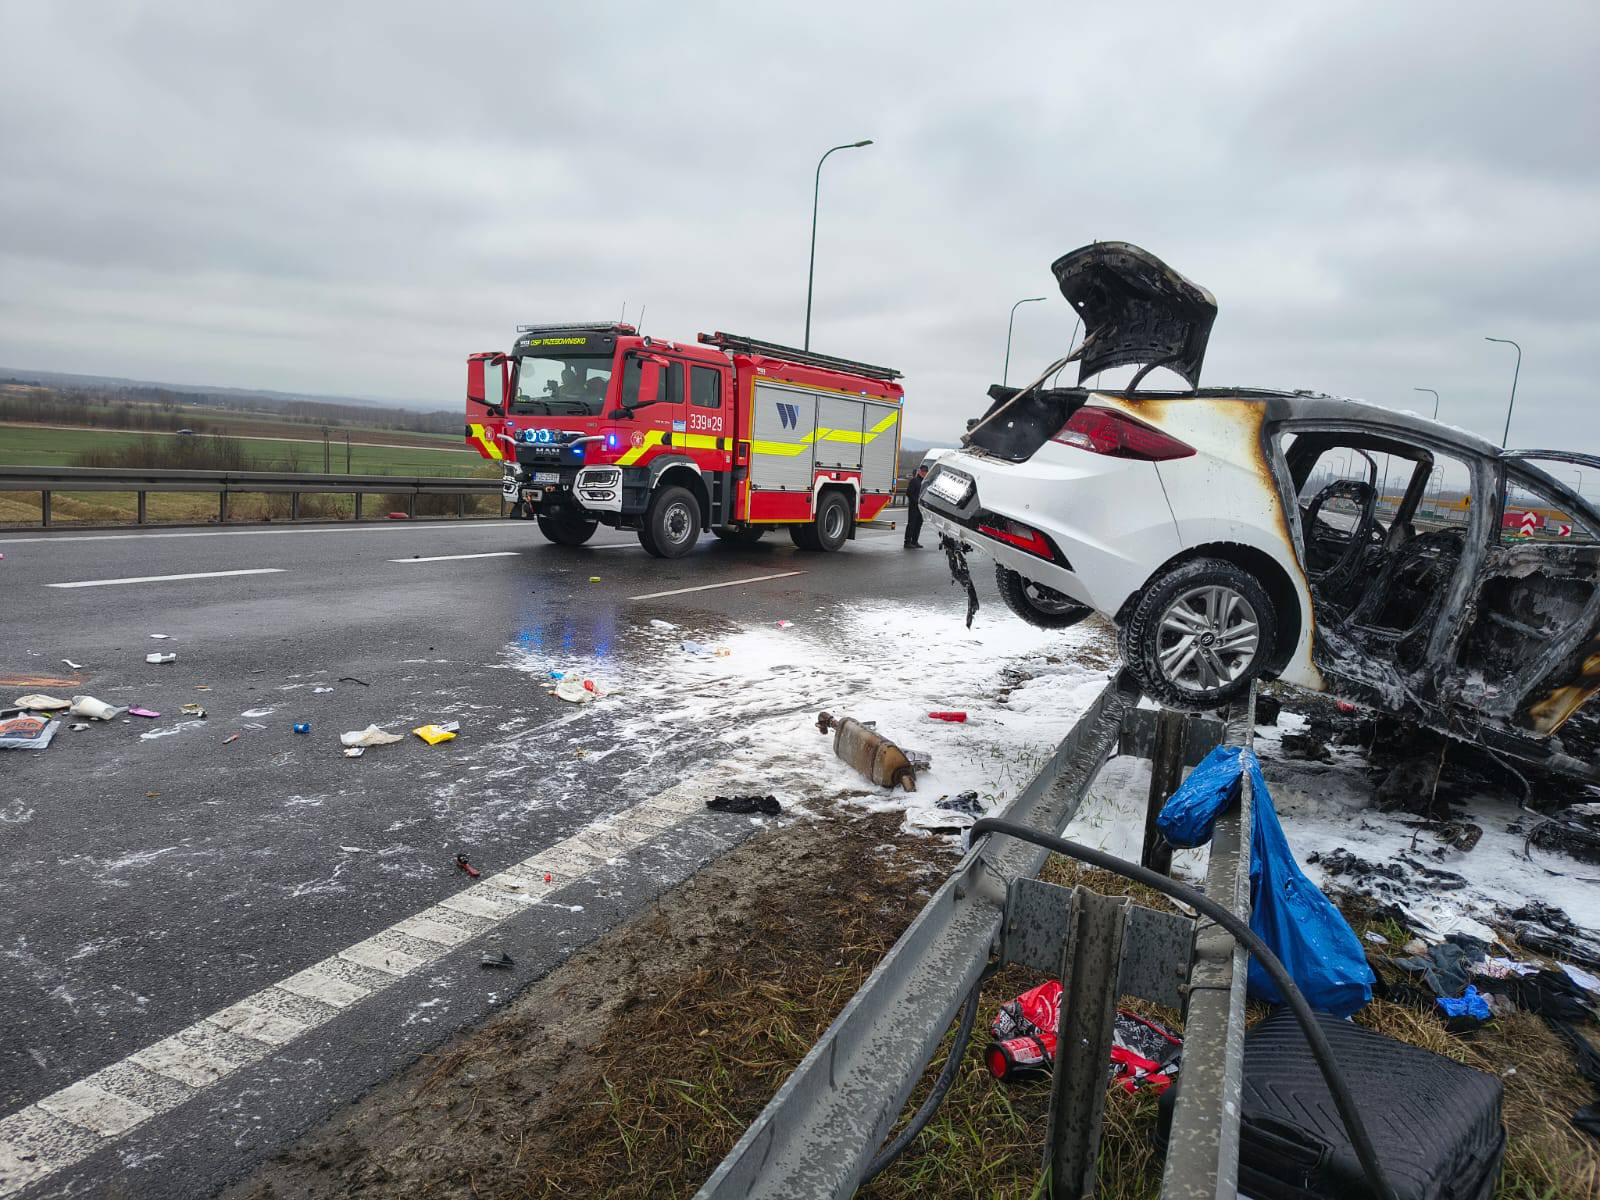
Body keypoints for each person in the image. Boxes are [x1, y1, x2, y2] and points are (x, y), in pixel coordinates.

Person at [903, 463, 928, 548]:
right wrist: (916, 501)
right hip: (914, 506)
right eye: (923, 471)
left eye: (925, 472)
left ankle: (915, 541)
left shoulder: (925, 482)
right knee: (911, 524)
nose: (924, 473)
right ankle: (907, 542)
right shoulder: (914, 480)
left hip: (921, 507)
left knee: (918, 524)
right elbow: (909, 493)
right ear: (919, 471)